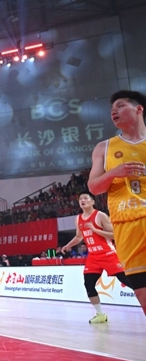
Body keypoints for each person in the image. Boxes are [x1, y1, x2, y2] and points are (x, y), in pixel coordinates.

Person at [88, 90, 146, 316]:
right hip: (126, 224)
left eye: (120, 106)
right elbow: (94, 187)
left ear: (138, 109)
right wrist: (114, 173)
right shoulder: (104, 148)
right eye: (112, 108)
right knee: (142, 292)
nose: (114, 111)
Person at [62, 192, 132, 323]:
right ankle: (100, 315)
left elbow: (114, 234)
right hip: (93, 257)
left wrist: (95, 230)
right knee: (88, 284)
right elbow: (79, 236)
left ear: (92, 201)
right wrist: (68, 245)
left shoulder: (100, 215)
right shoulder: (78, 219)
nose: (82, 200)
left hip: (108, 254)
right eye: (80, 199)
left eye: (85, 198)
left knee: (128, 281)